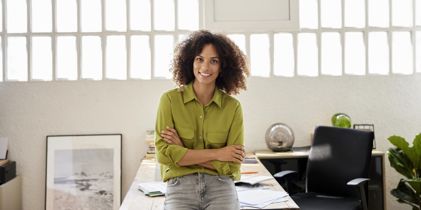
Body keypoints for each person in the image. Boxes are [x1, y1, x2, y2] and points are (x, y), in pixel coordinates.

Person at [154, 30, 249, 210]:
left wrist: (183, 152)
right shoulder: (169, 101)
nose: (205, 68)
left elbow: (232, 165)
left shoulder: (233, 107)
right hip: (180, 187)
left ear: (223, 67)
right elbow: (164, 154)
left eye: (214, 61)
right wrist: (218, 154)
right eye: (200, 59)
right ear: (190, 61)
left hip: (221, 187)